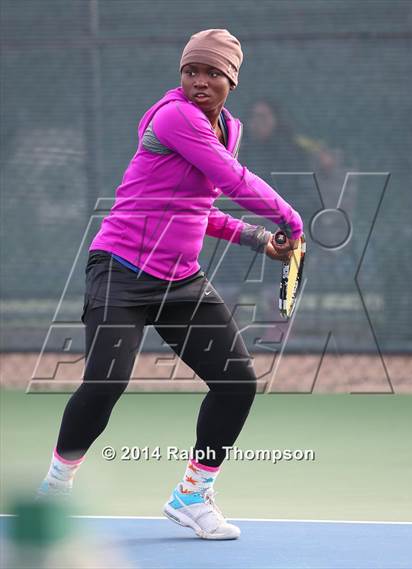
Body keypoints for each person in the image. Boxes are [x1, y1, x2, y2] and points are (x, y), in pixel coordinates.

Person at [37, 29, 303, 540]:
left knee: (236, 382)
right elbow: (234, 182)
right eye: (191, 71)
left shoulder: (227, 128)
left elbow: (196, 207)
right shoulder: (175, 116)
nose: (200, 82)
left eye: (213, 73)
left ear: (232, 81)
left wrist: (254, 237)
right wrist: (291, 220)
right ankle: (55, 486)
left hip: (180, 279)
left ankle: (192, 496)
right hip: (119, 268)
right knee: (106, 384)